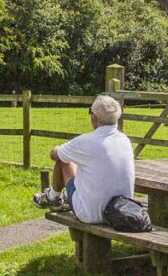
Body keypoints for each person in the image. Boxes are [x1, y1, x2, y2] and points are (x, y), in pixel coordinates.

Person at [33, 95, 134, 224]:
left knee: (64, 159)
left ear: (94, 117)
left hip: (91, 214)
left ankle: (53, 197)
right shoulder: (125, 140)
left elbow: (54, 154)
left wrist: (59, 148)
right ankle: (56, 197)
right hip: (122, 211)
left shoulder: (86, 141)